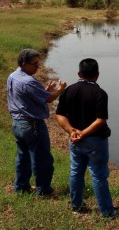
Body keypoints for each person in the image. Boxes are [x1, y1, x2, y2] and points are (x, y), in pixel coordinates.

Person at [55, 58, 115, 217]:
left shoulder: (69, 90)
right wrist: (84, 133)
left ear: (79, 73)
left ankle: (77, 206)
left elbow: (59, 114)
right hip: (95, 141)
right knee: (99, 175)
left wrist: (72, 131)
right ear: (97, 75)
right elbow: (101, 120)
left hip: (74, 140)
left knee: (76, 172)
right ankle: (107, 212)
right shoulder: (100, 93)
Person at [7, 48, 67, 196]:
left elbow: (28, 98)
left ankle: (21, 187)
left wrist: (45, 90)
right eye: (34, 64)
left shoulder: (13, 76)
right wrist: (59, 90)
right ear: (24, 63)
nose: (37, 67)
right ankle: (44, 190)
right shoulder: (28, 81)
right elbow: (48, 99)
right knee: (42, 160)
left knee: (23, 157)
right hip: (32, 125)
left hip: (18, 124)